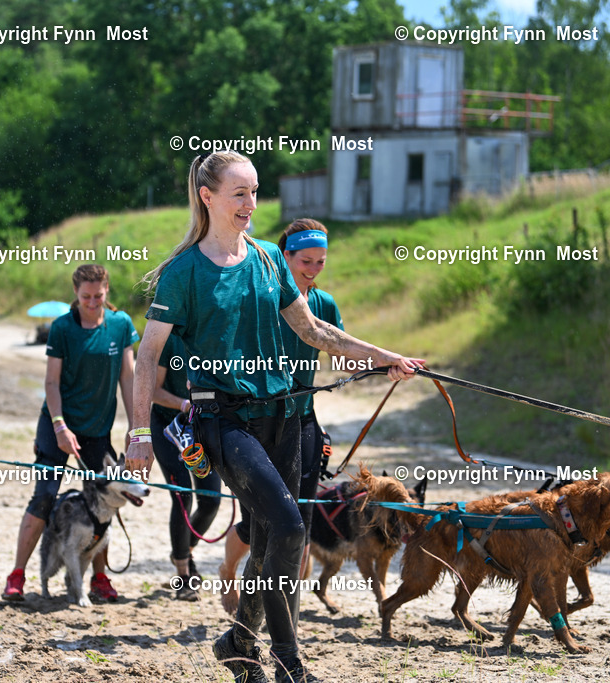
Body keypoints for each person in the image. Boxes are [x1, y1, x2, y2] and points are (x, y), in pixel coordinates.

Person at [128, 151, 424, 683]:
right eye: (239, 193)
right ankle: (288, 661)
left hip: (284, 418)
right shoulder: (183, 272)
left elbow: (316, 332)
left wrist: (385, 358)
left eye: (256, 192)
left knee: (271, 541)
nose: (251, 204)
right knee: (290, 527)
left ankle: (240, 643)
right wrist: (139, 433)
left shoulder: (268, 258)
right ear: (208, 196)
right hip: (225, 422)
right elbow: (147, 356)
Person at [217, 218, 344, 616]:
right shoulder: (263, 300)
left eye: (320, 262)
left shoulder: (324, 304)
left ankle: (286, 610)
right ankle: (228, 568)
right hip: (258, 420)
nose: (312, 269)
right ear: (283, 257)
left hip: (303, 420)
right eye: (305, 261)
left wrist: (383, 363)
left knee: (299, 520)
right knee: (263, 517)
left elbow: (338, 346)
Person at [2, 264, 138, 604]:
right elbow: (51, 382)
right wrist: (60, 425)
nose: (92, 303)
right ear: (75, 294)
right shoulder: (62, 327)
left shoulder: (121, 325)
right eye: (85, 297)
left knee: (104, 503)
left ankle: (100, 577)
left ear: (107, 292)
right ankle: (17, 575)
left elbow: (128, 378)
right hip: (57, 423)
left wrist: (137, 426)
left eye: (99, 297)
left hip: (97, 429)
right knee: (45, 496)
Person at [151, 333, 222, 601]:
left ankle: (185, 549)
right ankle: (183, 573)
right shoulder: (169, 340)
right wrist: (183, 404)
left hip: (201, 426)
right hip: (167, 426)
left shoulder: (213, 333)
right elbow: (154, 390)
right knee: (182, 496)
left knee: (211, 499)